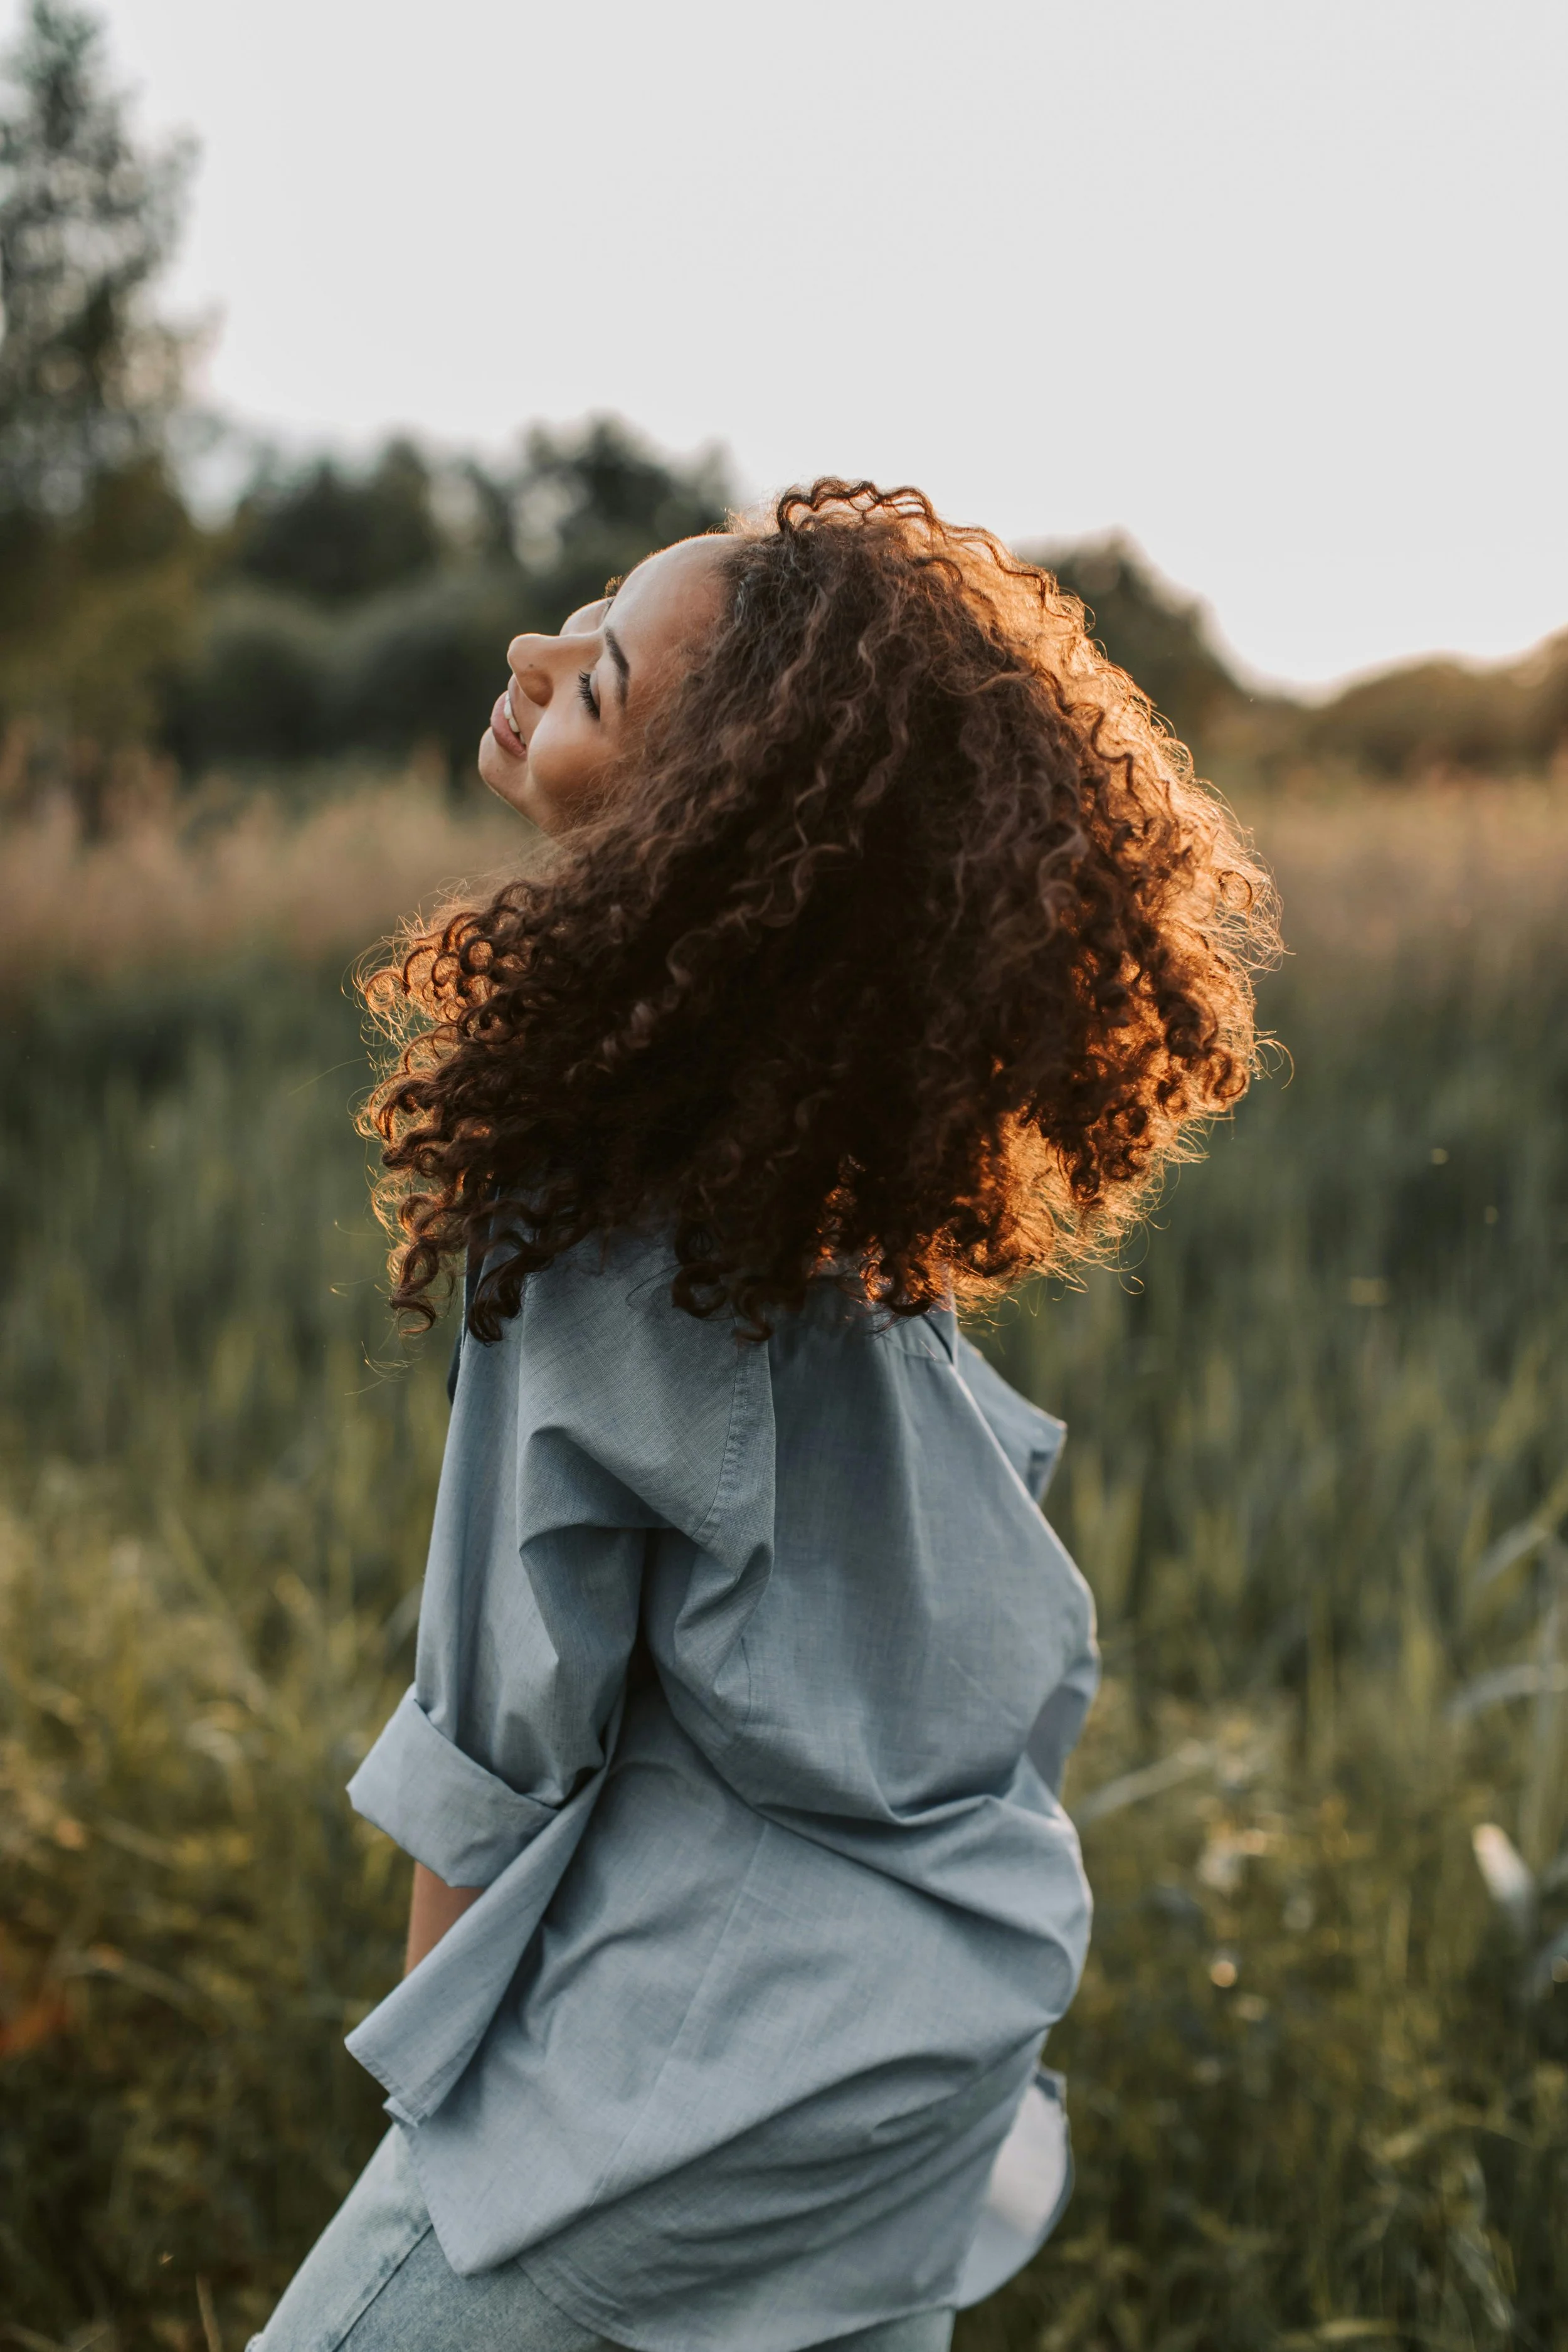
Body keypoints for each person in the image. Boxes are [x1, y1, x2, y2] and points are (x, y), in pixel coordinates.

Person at [254, 481, 1274, 2352]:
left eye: (599, 676)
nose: (529, 658)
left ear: (701, 824)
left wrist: (441, 2124)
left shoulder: (606, 1188)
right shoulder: (820, 1162)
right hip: (936, 2028)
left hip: (713, 2058)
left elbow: (504, 1717)